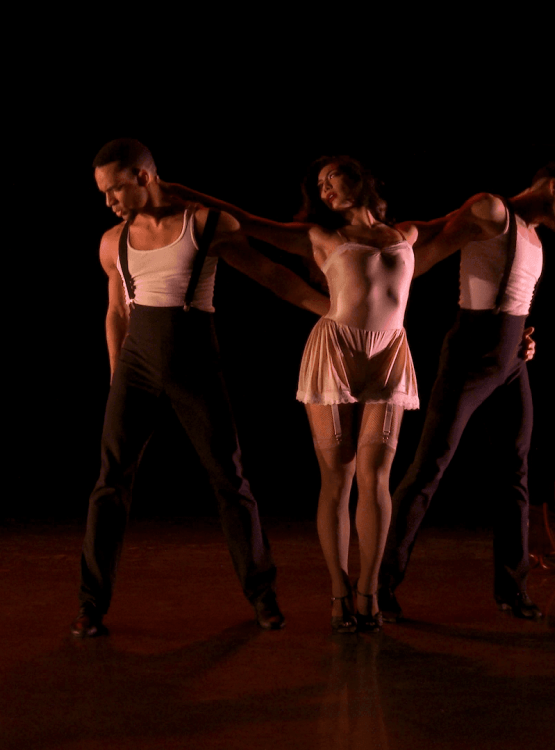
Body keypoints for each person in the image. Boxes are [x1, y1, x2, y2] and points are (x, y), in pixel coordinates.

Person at [163, 156, 434, 633]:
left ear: (362, 179)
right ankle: (338, 591)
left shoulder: (406, 234)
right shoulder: (317, 235)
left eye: (336, 178)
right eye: (320, 185)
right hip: (336, 351)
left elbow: (463, 224)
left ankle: (369, 591)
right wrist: (178, 190)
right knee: (340, 475)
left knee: (377, 476)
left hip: (389, 354)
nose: (327, 189)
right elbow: (245, 220)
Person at [75, 139, 330, 637]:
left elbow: (271, 275)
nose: (108, 202)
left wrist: (333, 309)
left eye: (114, 190)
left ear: (143, 177)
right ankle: (90, 604)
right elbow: (116, 311)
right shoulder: (112, 241)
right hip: (136, 366)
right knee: (110, 483)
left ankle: (263, 595)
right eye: (103, 194)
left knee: (229, 479)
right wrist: (116, 377)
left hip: (194, 358)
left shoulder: (207, 224)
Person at [378, 163, 555, 622]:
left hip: (511, 362)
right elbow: (432, 242)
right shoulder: (493, 210)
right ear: (553, 185)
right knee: (429, 466)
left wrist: (524, 339)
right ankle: (380, 585)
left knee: (515, 473)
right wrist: (376, 278)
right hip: (472, 353)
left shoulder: (535, 240)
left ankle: (511, 589)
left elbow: (515, 301)